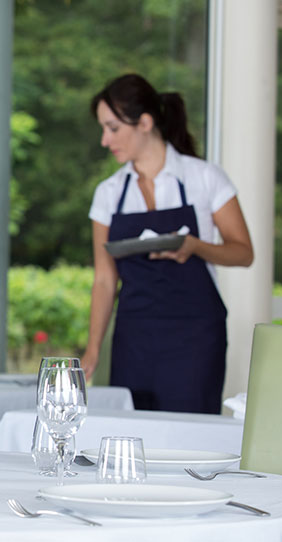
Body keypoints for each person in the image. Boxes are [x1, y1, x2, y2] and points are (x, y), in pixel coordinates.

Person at [80, 73, 253, 414]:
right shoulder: (109, 193)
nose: (105, 140)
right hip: (134, 336)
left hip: (195, 338)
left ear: (144, 122)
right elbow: (104, 278)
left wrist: (194, 246)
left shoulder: (205, 178)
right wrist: (93, 349)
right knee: (132, 435)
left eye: (112, 128)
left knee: (191, 438)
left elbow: (243, 252)